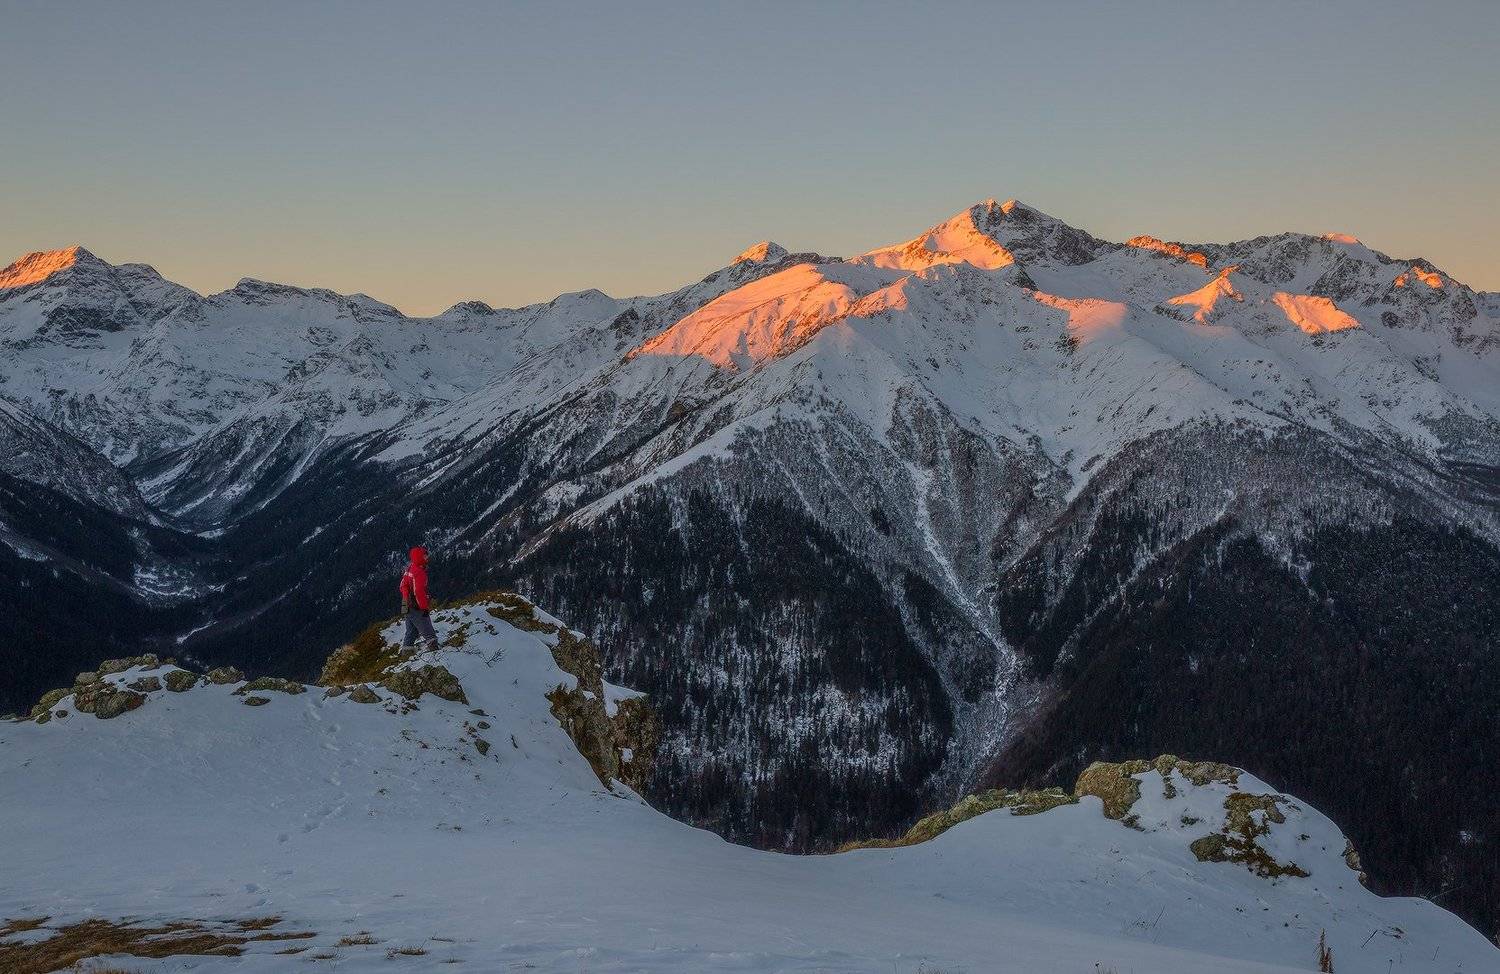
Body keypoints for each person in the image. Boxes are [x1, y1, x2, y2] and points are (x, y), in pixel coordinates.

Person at [399, 546, 439, 652]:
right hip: (415, 605)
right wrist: (424, 607)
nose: (427, 557)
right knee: (427, 628)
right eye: (425, 555)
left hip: (406, 602)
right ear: (420, 557)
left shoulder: (410, 567)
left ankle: (406, 653)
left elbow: (402, 584)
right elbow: (418, 592)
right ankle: (435, 650)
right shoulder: (419, 572)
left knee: (411, 631)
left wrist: (406, 596)